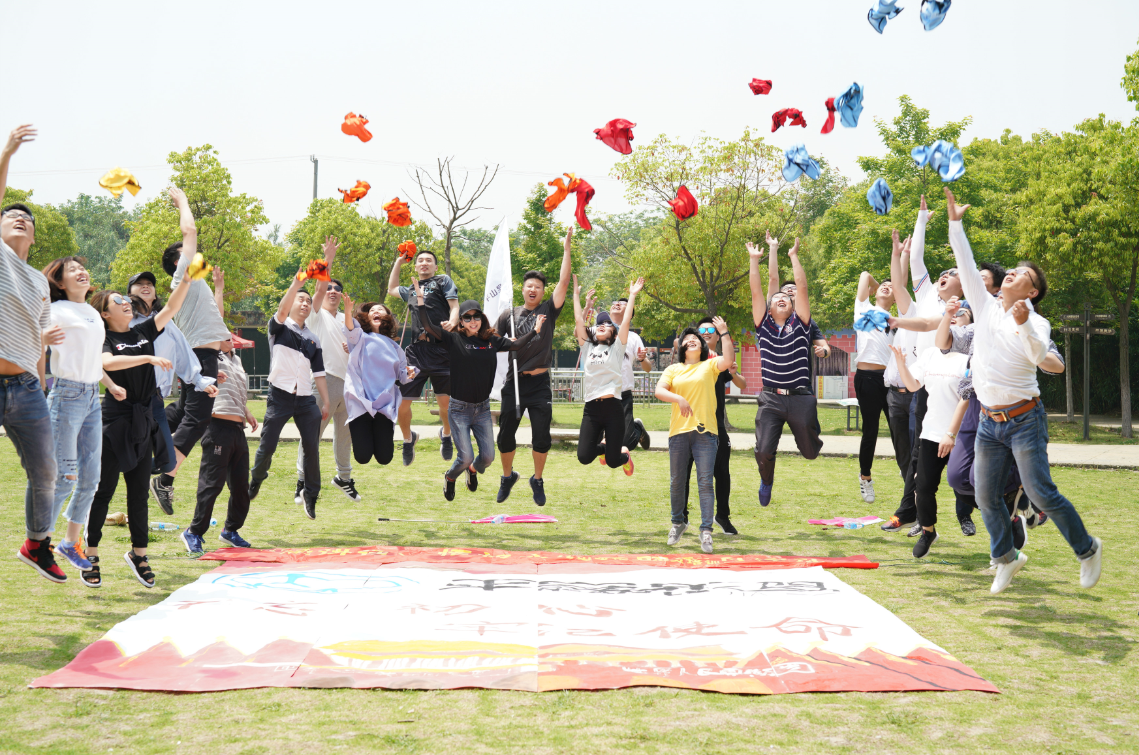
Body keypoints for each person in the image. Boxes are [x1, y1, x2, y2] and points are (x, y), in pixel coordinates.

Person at [944, 187, 1101, 594]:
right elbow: (966, 265)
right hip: (988, 422)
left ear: (1031, 292)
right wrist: (955, 224)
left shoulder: (1037, 323)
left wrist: (1024, 324)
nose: (1011, 274)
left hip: (1024, 420)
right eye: (1011, 271)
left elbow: (1040, 358)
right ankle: (1007, 558)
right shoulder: (984, 306)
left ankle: (1087, 549)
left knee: (1040, 493)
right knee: (985, 496)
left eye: (1022, 275)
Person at [86, 191, 194, 588]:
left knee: (137, 493)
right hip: (115, 420)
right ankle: (90, 554)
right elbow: (105, 363)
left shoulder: (143, 329)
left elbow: (172, 307)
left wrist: (186, 279)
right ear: (105, 312)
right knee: (104, 490)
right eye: (119, 301)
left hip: (144, 419)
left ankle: (139, 554)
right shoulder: (105, 338)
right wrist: (146, 358)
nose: (127, 303)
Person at [1, 124, 66, 583]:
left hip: (26, 387)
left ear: (35, 237)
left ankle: (37, 544)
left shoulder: (40, 281)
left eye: (27, 218)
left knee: (47, 471)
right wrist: (7, 152)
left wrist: (41, 382)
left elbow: (40, 338)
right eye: (10, 215)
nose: (20, 218)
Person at [880, 196, 963, 534]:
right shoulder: (927, 294)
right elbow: (915, 258)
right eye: (942, 273)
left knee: (958, 455)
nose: (944, 275)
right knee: (919, 454)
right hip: (926, 383)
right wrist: (921, 218)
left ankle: (971, 507)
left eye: (951, 273)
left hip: (956, 386)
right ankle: (913, 512)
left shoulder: (965, 307)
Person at [41, 256, 125, 580]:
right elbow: (26, 338)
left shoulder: (91, 313)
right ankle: (39, 543)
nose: (81, 271)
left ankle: (69, 543)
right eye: (72, 269)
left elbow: (92, 360)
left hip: (92, 397)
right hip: (66, 396)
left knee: (91, 479)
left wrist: (110, 385)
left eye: (82, 268)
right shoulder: (55, 310)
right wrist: (41, 339)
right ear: (60, 282)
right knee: (65, 478)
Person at [149, 192, 234, 513]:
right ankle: (164, 478)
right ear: (179, 260)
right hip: (199, 354)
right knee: (197, 419)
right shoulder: (184, 271)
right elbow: (190, 231)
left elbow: (214, 319)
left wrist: (219, 289)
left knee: (185, 410)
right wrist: (183, 202)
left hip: (201, 356)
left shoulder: (195, 284)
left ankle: (144, 430)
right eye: (190, 252)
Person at [417, 288, 544, 501]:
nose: (472, 321)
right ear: (461, 321)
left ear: (482, 318)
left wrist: (535, 331)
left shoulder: (491, 340)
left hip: (482, 409)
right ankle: (450, 477)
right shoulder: (453, 339)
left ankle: (473, 471)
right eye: (467, 318)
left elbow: (515, 345)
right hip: (459, 409)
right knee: (465, 456)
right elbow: (428, 326)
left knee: (487, 457)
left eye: (476, 316)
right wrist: (421, 300)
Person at [495, 226, 574, 505]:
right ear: (523, 289)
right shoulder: (509, 315)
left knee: (542, 435)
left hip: (540, 383)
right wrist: (507, 342)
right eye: (529, 285)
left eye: (538, 287)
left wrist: (566, 249)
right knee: (505, 435)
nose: (533, 289)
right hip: (514, 382)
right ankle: (507, 477)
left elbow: (563, 282)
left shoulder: (548, 310)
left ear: (542, 292)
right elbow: (493, 342)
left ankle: (537, 479)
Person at [128, 268, 218, 510]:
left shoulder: (165, 323)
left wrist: (200, 381)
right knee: (125, 455)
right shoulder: (123, 320)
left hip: (155, 398)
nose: (146, 286)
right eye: (139, 283)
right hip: (127, 397)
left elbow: (183, 352)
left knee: (164, 461)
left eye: (150, 283)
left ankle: (143, 486)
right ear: (129, 292)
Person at [180, 280, 258, 555]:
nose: (226, 334)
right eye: (221, 331)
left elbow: (236, 390)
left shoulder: (235, 360)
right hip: (216, 428)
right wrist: (219, 290)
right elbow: (215, 317)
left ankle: (230, 530)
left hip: (237, 430)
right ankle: (193, 532)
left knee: (241, 487)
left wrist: (246, 411)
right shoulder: (212, 357)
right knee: (211, 485)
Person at [248, 268, 331, 520]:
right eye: (300, 299)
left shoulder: (313, 340)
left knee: (312, 449)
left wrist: (326, 402)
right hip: (280, 397)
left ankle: (311, 495)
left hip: (306, 400)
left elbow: (319, 373)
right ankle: (257, 478)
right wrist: (295, 285)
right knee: (267, 445)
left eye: (308, 301)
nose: (305, 303)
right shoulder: (279, 328)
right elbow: (281, 311)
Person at [748, 232, 822, 506]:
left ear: (793, 307)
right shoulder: (763, 325)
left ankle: (812, 438)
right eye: (776, 297)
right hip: (771, 399)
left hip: (801, 398)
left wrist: (793, 255)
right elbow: (759, 289)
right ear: (769, 308)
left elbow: (801, 287)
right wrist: (754, 260)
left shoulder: (801, 324)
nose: (781, 298)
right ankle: (766, 481)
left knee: (810, 453)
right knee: (764, 449)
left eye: (786, 298)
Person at [888, 320, 970, 559]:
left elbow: (966, 399)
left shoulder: (970, 358)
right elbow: (913, 385)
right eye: (949, 318)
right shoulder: (930, 354)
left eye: (961, 316)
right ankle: (928, 532)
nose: (953, 320)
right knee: (922, 487)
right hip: (931, 433)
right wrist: (901, 364)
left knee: (969, 488)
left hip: (961, 436)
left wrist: (951, 434)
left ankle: (1010, 519)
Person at [656, 318, 735, 554]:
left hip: (705, 433)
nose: (691, 341)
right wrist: (679, 398)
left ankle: (706, 531)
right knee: (677, 482)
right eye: (687, 339)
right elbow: (659, 391)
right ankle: (677, 523)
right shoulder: (673, 369)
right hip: (678, 433)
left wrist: (724, 333)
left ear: (702, 346)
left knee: (705, 482)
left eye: (695, 339)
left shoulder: (709, 366)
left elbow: (728, 360)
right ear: (681, 346)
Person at [299, 237, 359, 503]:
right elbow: (320, 287)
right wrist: (328, 260)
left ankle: (344, 478)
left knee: (345, 436)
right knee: (313, 434)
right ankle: (302, 480)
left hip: (349, 384)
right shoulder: (315, 315)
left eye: (338, 289)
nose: (333, 291)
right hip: (324, 381)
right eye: (330, 288)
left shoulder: (349, 321)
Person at [387, 248, 459, 465]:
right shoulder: (411, 288)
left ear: (435, 266)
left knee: (445, 405)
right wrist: (399, 262)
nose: (424, 263)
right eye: (420, 260)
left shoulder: (443, 281)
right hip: (416, 353)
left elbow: (454, 306)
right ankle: (408, 439)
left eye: (429, 260)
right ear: (416, 266)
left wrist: (453, 322)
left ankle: (446, 434)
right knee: (402, 404)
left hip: (442, 351)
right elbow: (391, 289)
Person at [681, 316, 748, 534]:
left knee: (722, 473)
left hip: (715, 427)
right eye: (702, 330)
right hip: (687, 426)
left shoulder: (721, 361)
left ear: (718, 336)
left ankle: (722, 516)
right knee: (683, 474)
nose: (707, 333)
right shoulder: (688, 360)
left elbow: (742, 384)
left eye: (712, 330)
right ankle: (681, 517)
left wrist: (734, 373)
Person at [573, 277, 643, 474]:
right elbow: (579, 320)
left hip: (613, 409)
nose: (602, 325)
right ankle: (604, 448)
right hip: (591, 409)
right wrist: (576, 295)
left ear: (615, 333)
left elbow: (626, 321)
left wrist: (632, 295)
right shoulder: (587, 347)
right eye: (599, 324)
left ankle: (624, 456)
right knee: (584, 456)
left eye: (608, 324)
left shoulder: (618, 349)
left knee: (613, 461)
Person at [341, 296, 414, 472]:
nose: (376, 311)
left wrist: (410, 373)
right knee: (362, 457)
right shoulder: (359, 338)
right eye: (372, 310)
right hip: (360, 402)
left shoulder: (396, 348)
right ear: (366, 318)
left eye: (380, 309)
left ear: (387, 317)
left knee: (384, 458)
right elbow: (350, 330)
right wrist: (348, 312)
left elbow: (402, 376)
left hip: (384, 406)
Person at [852, 263, 897, 503]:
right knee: (870, 430)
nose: (887, 287)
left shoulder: (898, 319)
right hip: (866, 378)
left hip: (889, 380)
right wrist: (881, 287)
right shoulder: (864, 309)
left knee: (898, 430)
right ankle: (865, 478)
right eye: (884, 285)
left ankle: (908, 472)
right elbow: (864, 274)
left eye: (892, 287)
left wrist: (889, 289)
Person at [608, 296, 653, 452]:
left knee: (627, 441)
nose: (617, 304)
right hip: (600, 393)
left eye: (623, 304)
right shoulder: (599, 331)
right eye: (615, 303)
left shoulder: (633, 338)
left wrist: (642, 359)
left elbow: (648, 368)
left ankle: (637, 428)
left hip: (623, 393)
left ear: (630, 313)